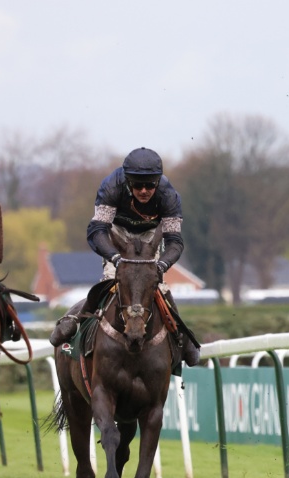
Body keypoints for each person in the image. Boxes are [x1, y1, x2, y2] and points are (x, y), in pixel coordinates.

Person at [49, 147, 200, 366]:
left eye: (150, 185)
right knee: (112, 281)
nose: (144, 191)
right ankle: (75, 320)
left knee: (157, 286)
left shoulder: (169, 195)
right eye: (138, 185)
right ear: (127, 181)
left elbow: (175, 241)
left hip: (150, 235)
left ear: (158, 182)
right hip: (116, 231)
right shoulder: (111, 186)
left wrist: (162, 265)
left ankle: (183, 338)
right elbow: (97, 230)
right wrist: (114, 257)